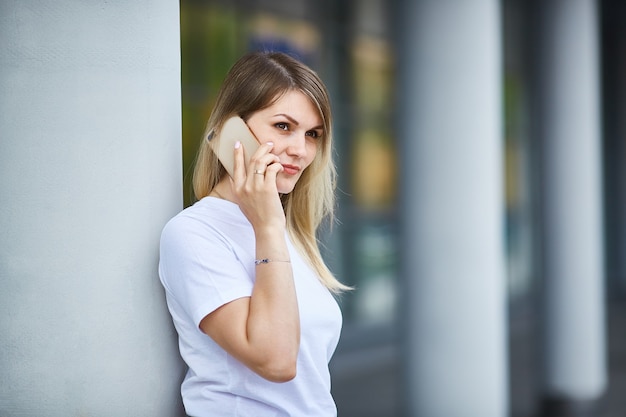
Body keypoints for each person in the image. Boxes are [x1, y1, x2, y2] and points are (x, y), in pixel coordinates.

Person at [158, 51, 350, 417]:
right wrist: (267, 227)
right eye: (283, 126)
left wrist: (270, 225)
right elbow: (276, 361)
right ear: (234, 130)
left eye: (312, 134)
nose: (300, 150)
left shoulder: (282, 231)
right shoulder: (194, 233)